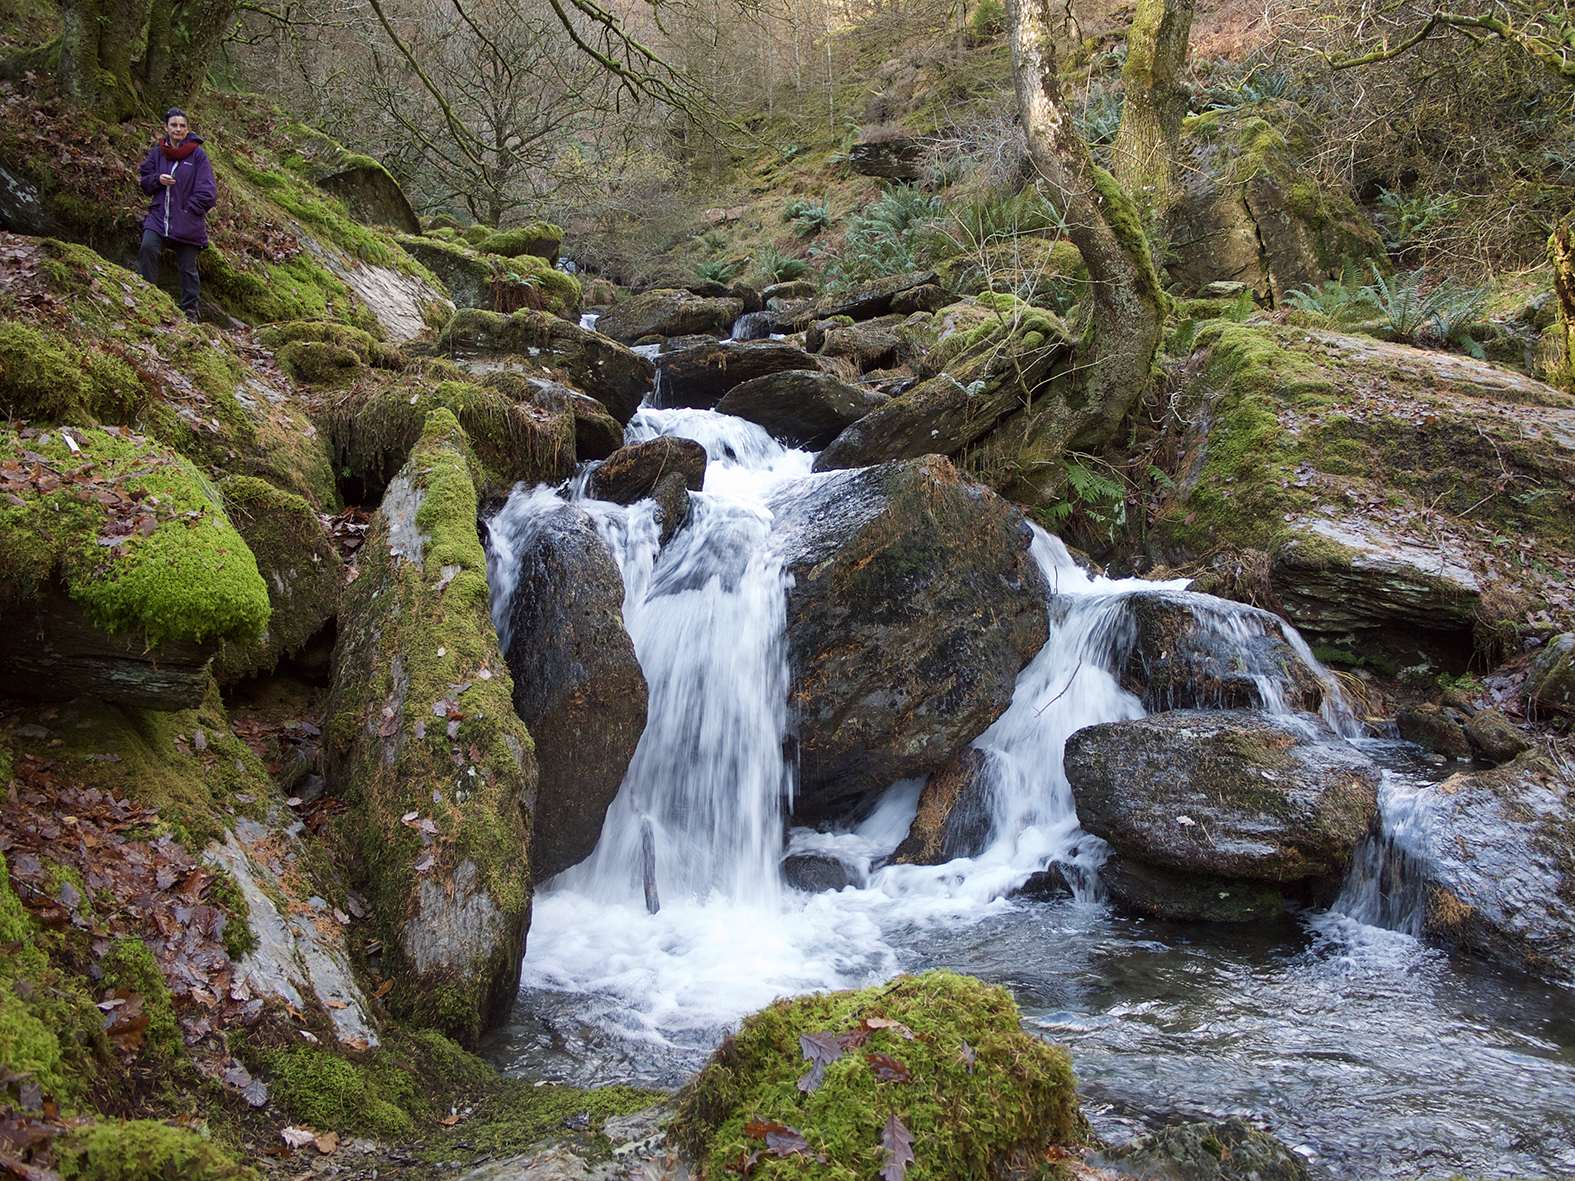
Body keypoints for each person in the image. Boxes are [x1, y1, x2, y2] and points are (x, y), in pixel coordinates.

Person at [138, 107, 217, 323]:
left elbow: (208, 192)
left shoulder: (197, 155)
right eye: (173, 125)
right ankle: (146, 297)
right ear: (166, 127)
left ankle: (190, 312)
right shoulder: (156, 153)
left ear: (188, 128)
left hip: (188, 221)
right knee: (147, 248)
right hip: (158, 217)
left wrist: (189, 209)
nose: (178, 129)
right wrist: (157, 179)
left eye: (182, 125)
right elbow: (145, 182)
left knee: (188, 268)